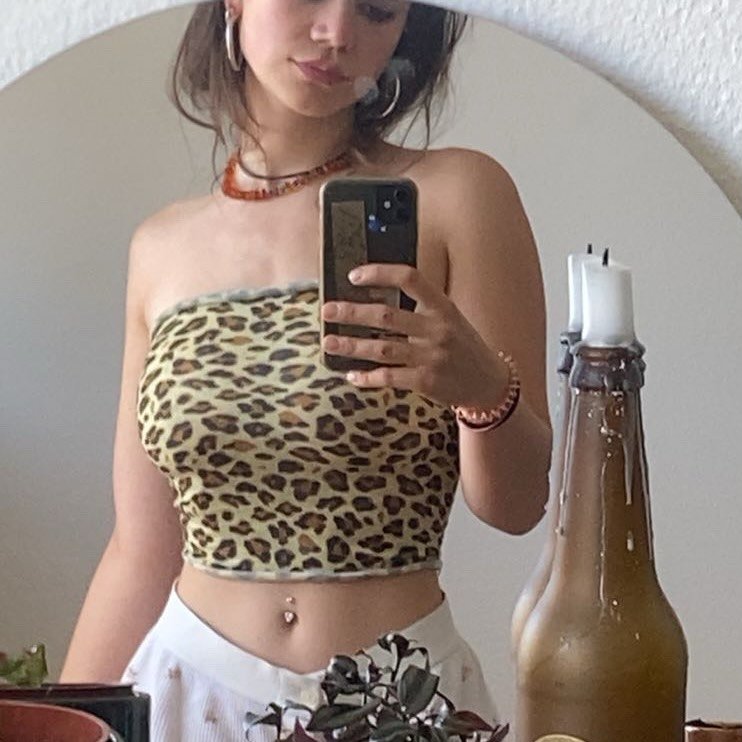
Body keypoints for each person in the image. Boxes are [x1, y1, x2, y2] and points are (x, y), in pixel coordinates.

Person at [61, 0, 552, 739]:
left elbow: (515, 507)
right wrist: (61, 720)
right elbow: (140, 551)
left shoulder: (459, 194)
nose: (338, 33)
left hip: (398, 701)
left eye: (377, 11)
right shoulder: (161, 247)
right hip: (190, 695)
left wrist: (483, 390)